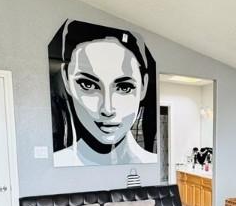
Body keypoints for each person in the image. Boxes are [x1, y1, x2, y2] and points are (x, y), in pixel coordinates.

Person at [49, 20, 157, 166]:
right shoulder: (58, 162)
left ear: (143, 86)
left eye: (124, 87)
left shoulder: (151, 162)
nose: (107, 109)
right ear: (66, 80)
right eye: (88, 85)